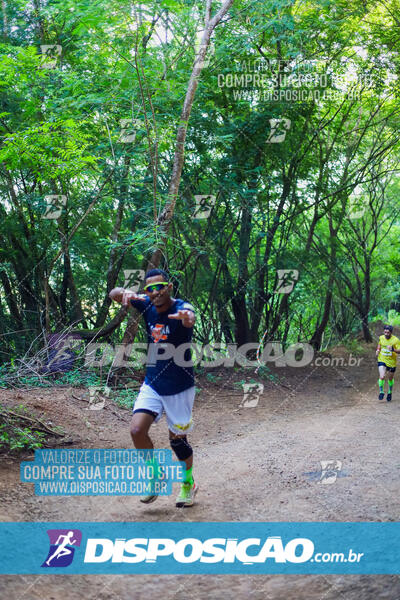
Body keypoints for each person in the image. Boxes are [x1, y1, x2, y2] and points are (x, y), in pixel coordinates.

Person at [109, 269, 197, 507]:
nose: (156, 292)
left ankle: (188, 484)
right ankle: (156, 476)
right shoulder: (146, 304)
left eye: (161, 287)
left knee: (178, 442)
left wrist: (188, 319)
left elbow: (189, 315)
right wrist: (124, 293)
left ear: (169, 287)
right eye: (150, 288)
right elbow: (113, 293)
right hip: (153, 382)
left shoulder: (181, 307)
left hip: (180, 386)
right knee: (137, 431)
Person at [375, 325, 400, 401]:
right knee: (382, 376)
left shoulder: (395, 340)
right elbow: (379, 345)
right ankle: (381, 392)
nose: (386, 334)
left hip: (392, 362)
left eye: (388, 332)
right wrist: (378, 350)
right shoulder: (381, 338)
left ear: (391, 333)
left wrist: (393, 349)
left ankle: (389, 392)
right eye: (385, 332)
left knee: (390, 378)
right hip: (382, 359)